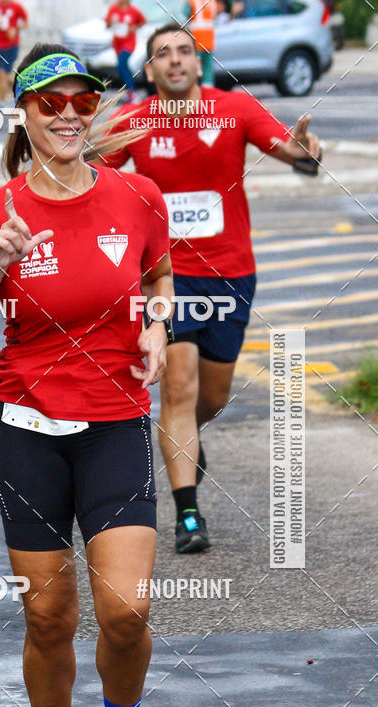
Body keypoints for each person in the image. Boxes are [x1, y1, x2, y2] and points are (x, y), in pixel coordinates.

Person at [0, 44, 173, 707]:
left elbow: (158, 272)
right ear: (26, 114)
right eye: (51, 102)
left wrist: (156, 325)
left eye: (82, 100)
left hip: (114, 425)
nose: (69, 113)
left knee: (126, 612)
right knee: (47, 618)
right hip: (28, 434)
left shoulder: (137, 195)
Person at [103, 25, 320, 553]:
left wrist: (308, 151)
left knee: (212, 397)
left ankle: (186, 442)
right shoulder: (133, 122)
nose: (175, 61)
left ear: (198, 64)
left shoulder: (236, 109)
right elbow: (79, 182)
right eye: (162, 55)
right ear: (149, 71)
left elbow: (297, 155)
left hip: (231, 274)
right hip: (165, 278)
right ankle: (188, 516)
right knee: (178, 388)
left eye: (184, 52)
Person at [0, 0, 28, 104]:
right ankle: (24, 88)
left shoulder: (16, 6)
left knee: (2, 74)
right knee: (3, 76)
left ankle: (0, 104)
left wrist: (15, 29)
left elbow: (26, 23)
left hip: (11, 46)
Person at [105, 0, 146, 104]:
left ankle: (132, 92)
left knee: (122, 64)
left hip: (129, 42)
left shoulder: (133, 11)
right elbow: (107, 24)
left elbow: (143, 21)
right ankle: (129, 92)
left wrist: (134, 27)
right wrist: (111, 23)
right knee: (121, 68)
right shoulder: (113, 9)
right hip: (117, 42)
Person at [189, 0, 216, 86]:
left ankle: (193, 91)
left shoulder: (192, 2)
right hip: (208, 42)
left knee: (194, 68)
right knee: (207, 70)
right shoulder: (212, 2)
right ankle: (208, 92)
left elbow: (182, 19)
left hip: (196, 42)